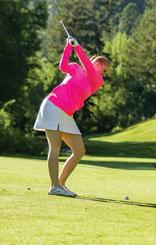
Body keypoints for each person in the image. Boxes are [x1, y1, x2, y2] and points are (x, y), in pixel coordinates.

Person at [33, 37, 109, 197]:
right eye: (102, 68)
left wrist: (78, 47)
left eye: (105, 71)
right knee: (55, 147)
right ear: (96, 62)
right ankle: (55, 187)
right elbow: (62, 66)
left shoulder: (97, 81)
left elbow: (88, 66)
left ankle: (60, 184)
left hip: (66, 113)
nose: (103, 72)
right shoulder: (75, 67)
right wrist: (69, 47)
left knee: (79, 150)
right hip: (53, 105)